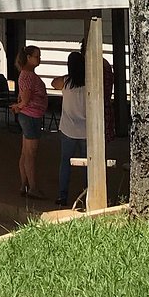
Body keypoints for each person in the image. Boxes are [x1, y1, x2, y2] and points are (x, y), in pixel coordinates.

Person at [51, 50, 88, 208]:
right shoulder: (90, 83)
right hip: (86, 130)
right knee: (88, 164)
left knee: (65, 162)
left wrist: (69, 75)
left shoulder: (66, 82)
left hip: (68, 129)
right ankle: (88, 194)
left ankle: (62, 195)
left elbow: (53, 83)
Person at [11, 44, 46, 197]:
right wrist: (18, 106)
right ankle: (32, 187)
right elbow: (24, 100)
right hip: (31, 116)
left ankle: (24, 184)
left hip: (30, 115)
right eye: (37, 56)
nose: (39, 59)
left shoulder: (26, 75)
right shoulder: (28, 76)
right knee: (31, 153)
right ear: (28, 58)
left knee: (25, 152)